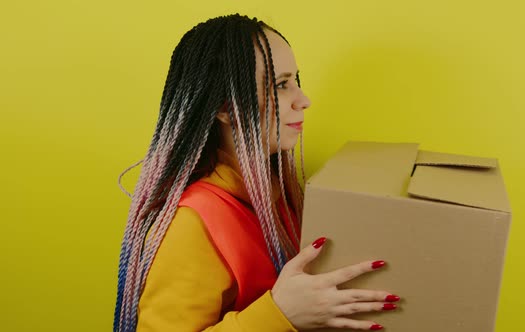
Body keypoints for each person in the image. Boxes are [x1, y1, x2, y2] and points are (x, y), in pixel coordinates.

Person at [113, 14, 401, 332]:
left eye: (296, 81)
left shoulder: (281, 193)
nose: (303, 100)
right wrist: (280, 314)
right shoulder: (192, 222)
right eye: (281, 85)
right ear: (224, 107)